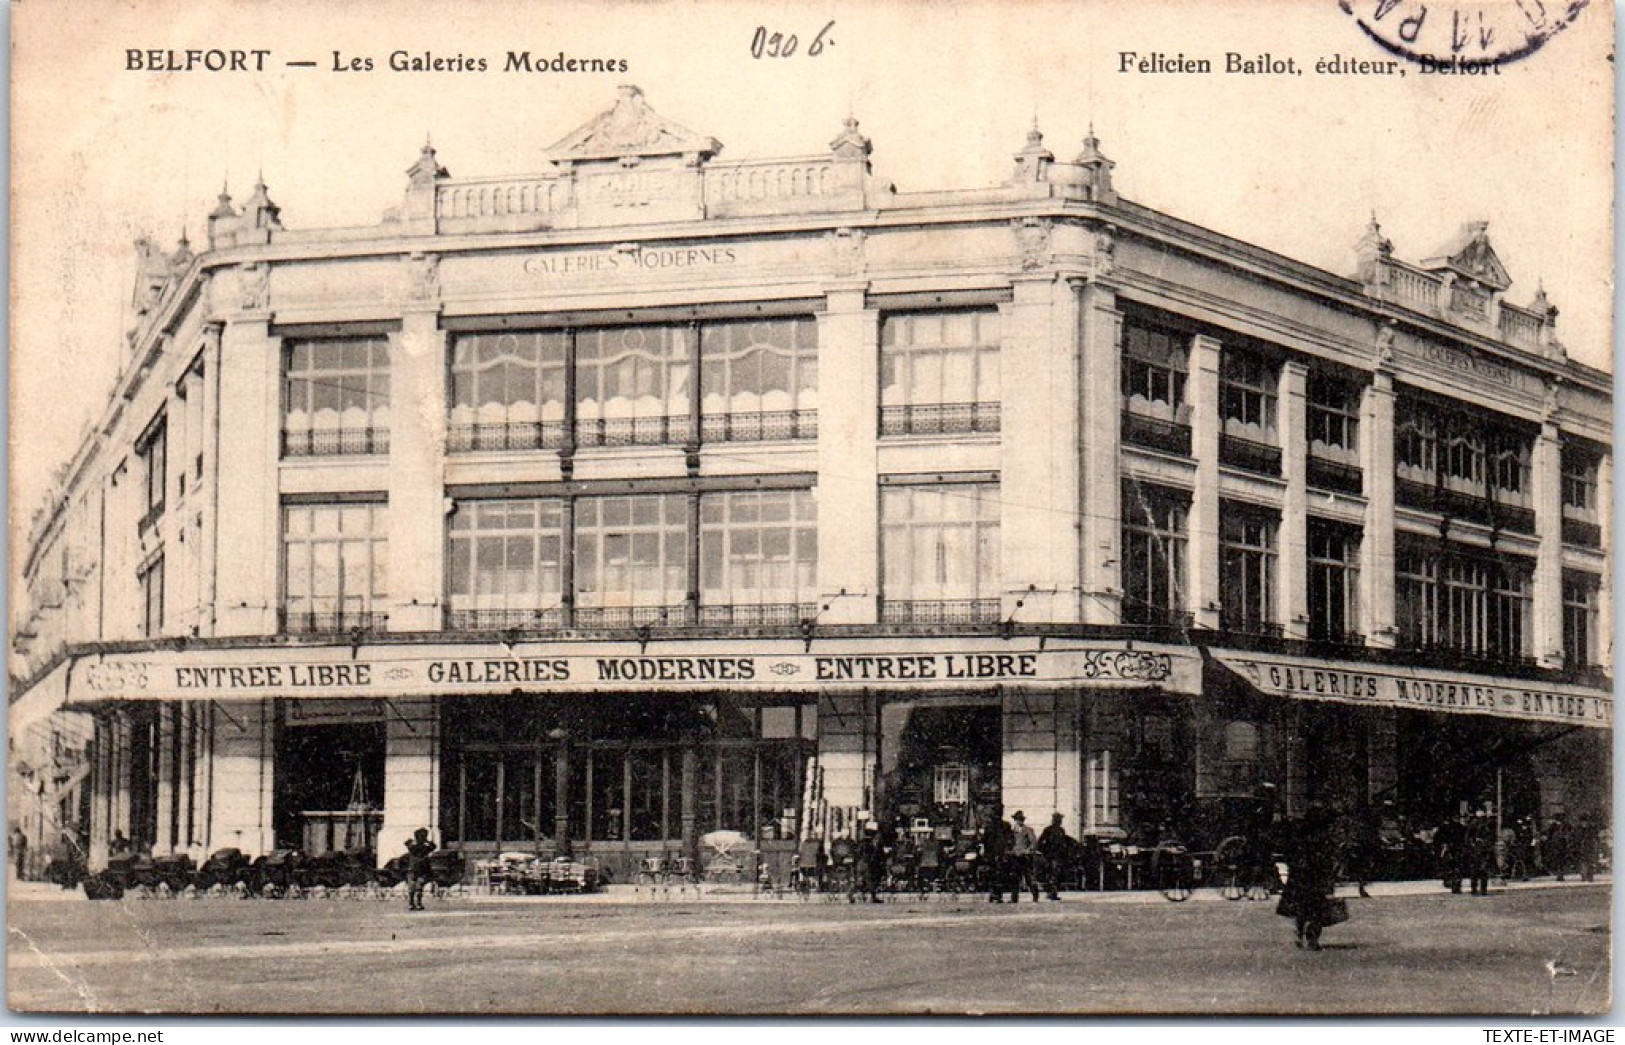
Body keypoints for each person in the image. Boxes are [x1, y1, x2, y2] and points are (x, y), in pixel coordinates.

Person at [1277, 802, 1344, 951]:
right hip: (1317, 878)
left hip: (1299, 878)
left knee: (1300, 909)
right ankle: (1312, 939)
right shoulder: (1324, 838)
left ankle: (1299, 935)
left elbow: (1289, 854)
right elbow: (1329, 860)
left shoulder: (1299, 835)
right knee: (1317, 910)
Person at [1036, 812, 1075, 901]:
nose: (1060, 821)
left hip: (1059, 856)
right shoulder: (1048, 830)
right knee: (1052, 875)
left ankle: (1053, 893)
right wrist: (1044, 853)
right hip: (1050, 856)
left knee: (1056, 875)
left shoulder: (1061, 830)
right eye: (1058, 819)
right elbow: (1040, 842)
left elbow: (1064, 841)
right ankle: (1051, 893)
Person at [1008, 811, 1040, 903]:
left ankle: (1035, 894)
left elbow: (1033, 842)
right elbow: (1009, 842)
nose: (1019, 821)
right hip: (1015, 857)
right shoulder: (1012, 831)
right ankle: (1014, 898)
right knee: (1014, 877)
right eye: (1017, 819)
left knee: (1028, 877)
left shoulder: (1028, 830)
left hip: (1025, 857)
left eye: (1021, 819)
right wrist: (1010, 851)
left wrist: (1028, 850)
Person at [983, 809, 1013, 903]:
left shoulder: (989, 826)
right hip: (1001, 853)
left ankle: (994, 894)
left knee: (994, 874)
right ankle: (997, 894)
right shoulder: (1006, 825)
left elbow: (985, 840)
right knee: (1000, 874)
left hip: (993, 853)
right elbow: (1010, 839)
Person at [403, 828, 436, 911]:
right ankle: (415, 903)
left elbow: (407, 843)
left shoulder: (417, 847)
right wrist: (427, 841)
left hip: (416, 869)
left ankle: (414, 903)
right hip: (417, 869)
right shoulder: (421, 847)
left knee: (415, 887)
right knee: (416, 887)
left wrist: (424, 841)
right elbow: (433, 846)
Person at [1465, 810, 1495, 896]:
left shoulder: (1483, 826)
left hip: (1480, 851)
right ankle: (1480, 889)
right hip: (1478, 851)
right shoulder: (1479, 826)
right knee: (1480, 871)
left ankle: (1477, 889)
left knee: (1478, 871)